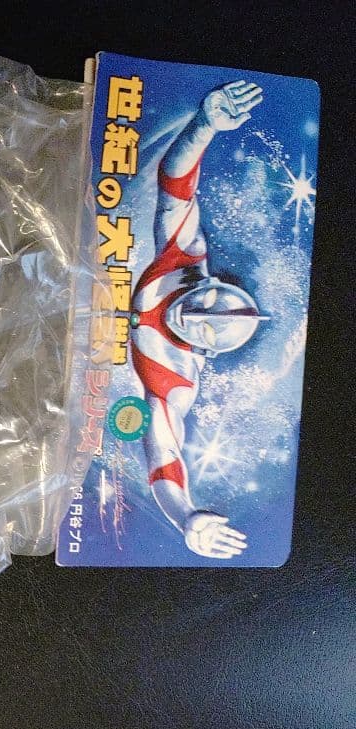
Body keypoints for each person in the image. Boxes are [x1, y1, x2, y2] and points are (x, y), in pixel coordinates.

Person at [130, 80, 267, 559]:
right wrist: (204, 127)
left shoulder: (178, 380)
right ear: (216, 281)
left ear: (207, 349)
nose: (195, 310)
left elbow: (163, 460)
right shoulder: (186, 256)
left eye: (209, 324)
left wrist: (185, 515)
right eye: (213, 299)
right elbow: (175, 182)